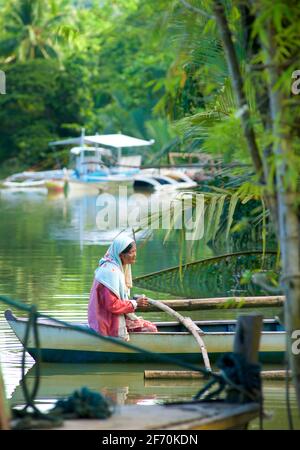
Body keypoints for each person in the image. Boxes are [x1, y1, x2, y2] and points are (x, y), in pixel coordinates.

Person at [88, 233, 157, 340]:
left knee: (148, 324)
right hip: (106, 322)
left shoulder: (111, 266)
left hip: (105, 317)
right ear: (121, 255)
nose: (135, 255)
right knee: (151, 329)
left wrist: (133, 304)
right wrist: (135, 303)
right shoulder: (110, 272)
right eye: (131, 252)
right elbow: (112, 305)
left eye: (135, 251)